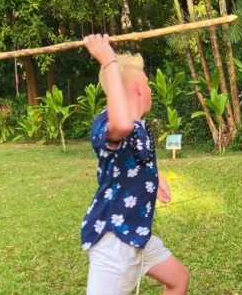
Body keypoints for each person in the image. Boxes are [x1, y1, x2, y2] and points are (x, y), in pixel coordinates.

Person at [80, 34, 189, 295]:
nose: (151, 89)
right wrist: (108, 60)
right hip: (114, 239)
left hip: (137, 235)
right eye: (149, 84)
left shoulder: (140, 128)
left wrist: (154, 176)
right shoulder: (106, 121)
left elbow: (133, 160)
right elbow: (121, 125)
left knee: (178, 279)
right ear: (140, 87)